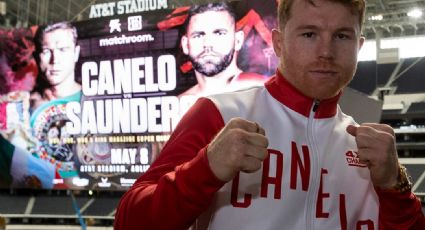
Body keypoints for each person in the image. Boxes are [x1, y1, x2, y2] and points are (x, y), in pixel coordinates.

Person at [115, 0, 425, 229]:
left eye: (342, 36)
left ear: (359, 46)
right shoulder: (218, 114)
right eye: (309, 34)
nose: (326, 52)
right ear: (278, 43)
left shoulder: (366, 147)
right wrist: (205, 169)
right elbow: (129, 223)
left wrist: (394, 186)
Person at [30, 21, 82, 186]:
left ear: (76, 53)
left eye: (63, 49)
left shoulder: (97, 101)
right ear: (38, 56)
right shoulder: (23, 106)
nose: (55, 60)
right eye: (46, 51)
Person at [179, 3, 266, 99]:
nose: (208, 44)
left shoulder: (265, 92)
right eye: (198, 35)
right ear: (185, 44)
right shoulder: (177, 108)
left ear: (238, 40)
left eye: (219, 34)